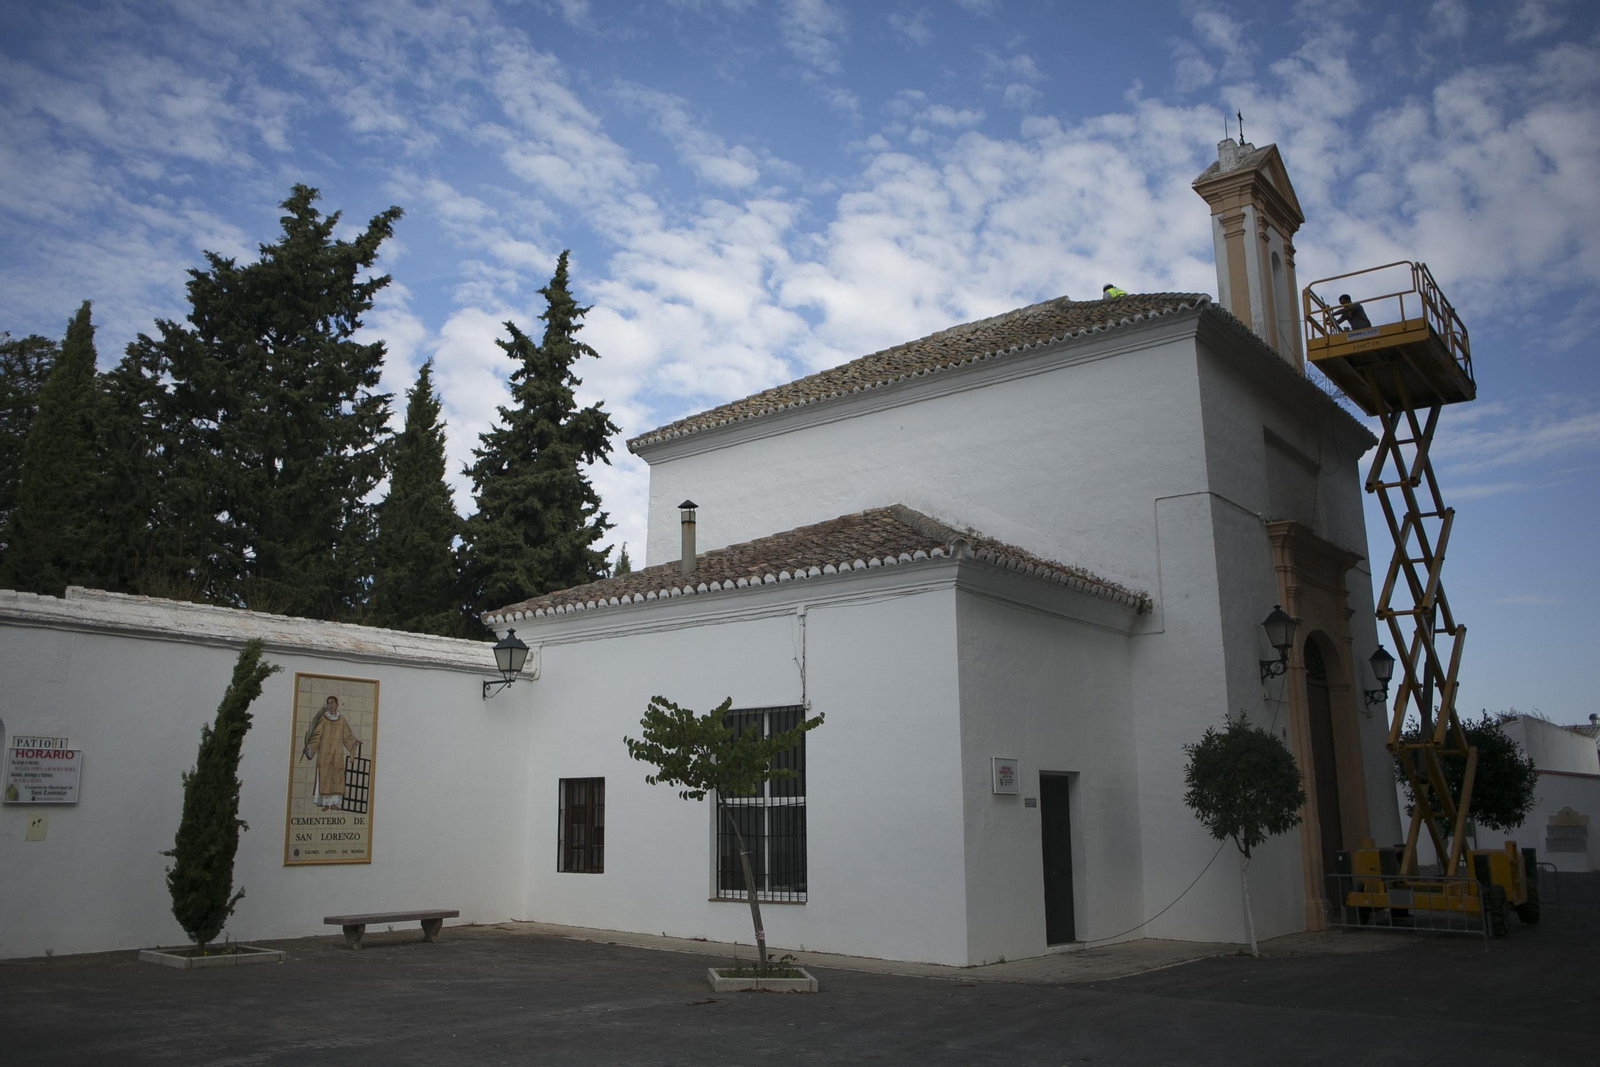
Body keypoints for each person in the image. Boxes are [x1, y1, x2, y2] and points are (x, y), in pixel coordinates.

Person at [302, 695, 360, 810]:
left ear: (337, 704)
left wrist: (353, 741)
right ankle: (325, 804)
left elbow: (347, 735)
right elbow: (316, 736)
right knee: (325, 777)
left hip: (337, 754)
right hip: (324, 754)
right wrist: (309, 747)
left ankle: (333, 804)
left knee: (336, 778)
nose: (331, 705)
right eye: (329, 703)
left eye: (333, 702)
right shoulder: (323, 719)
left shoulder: (342, 720)